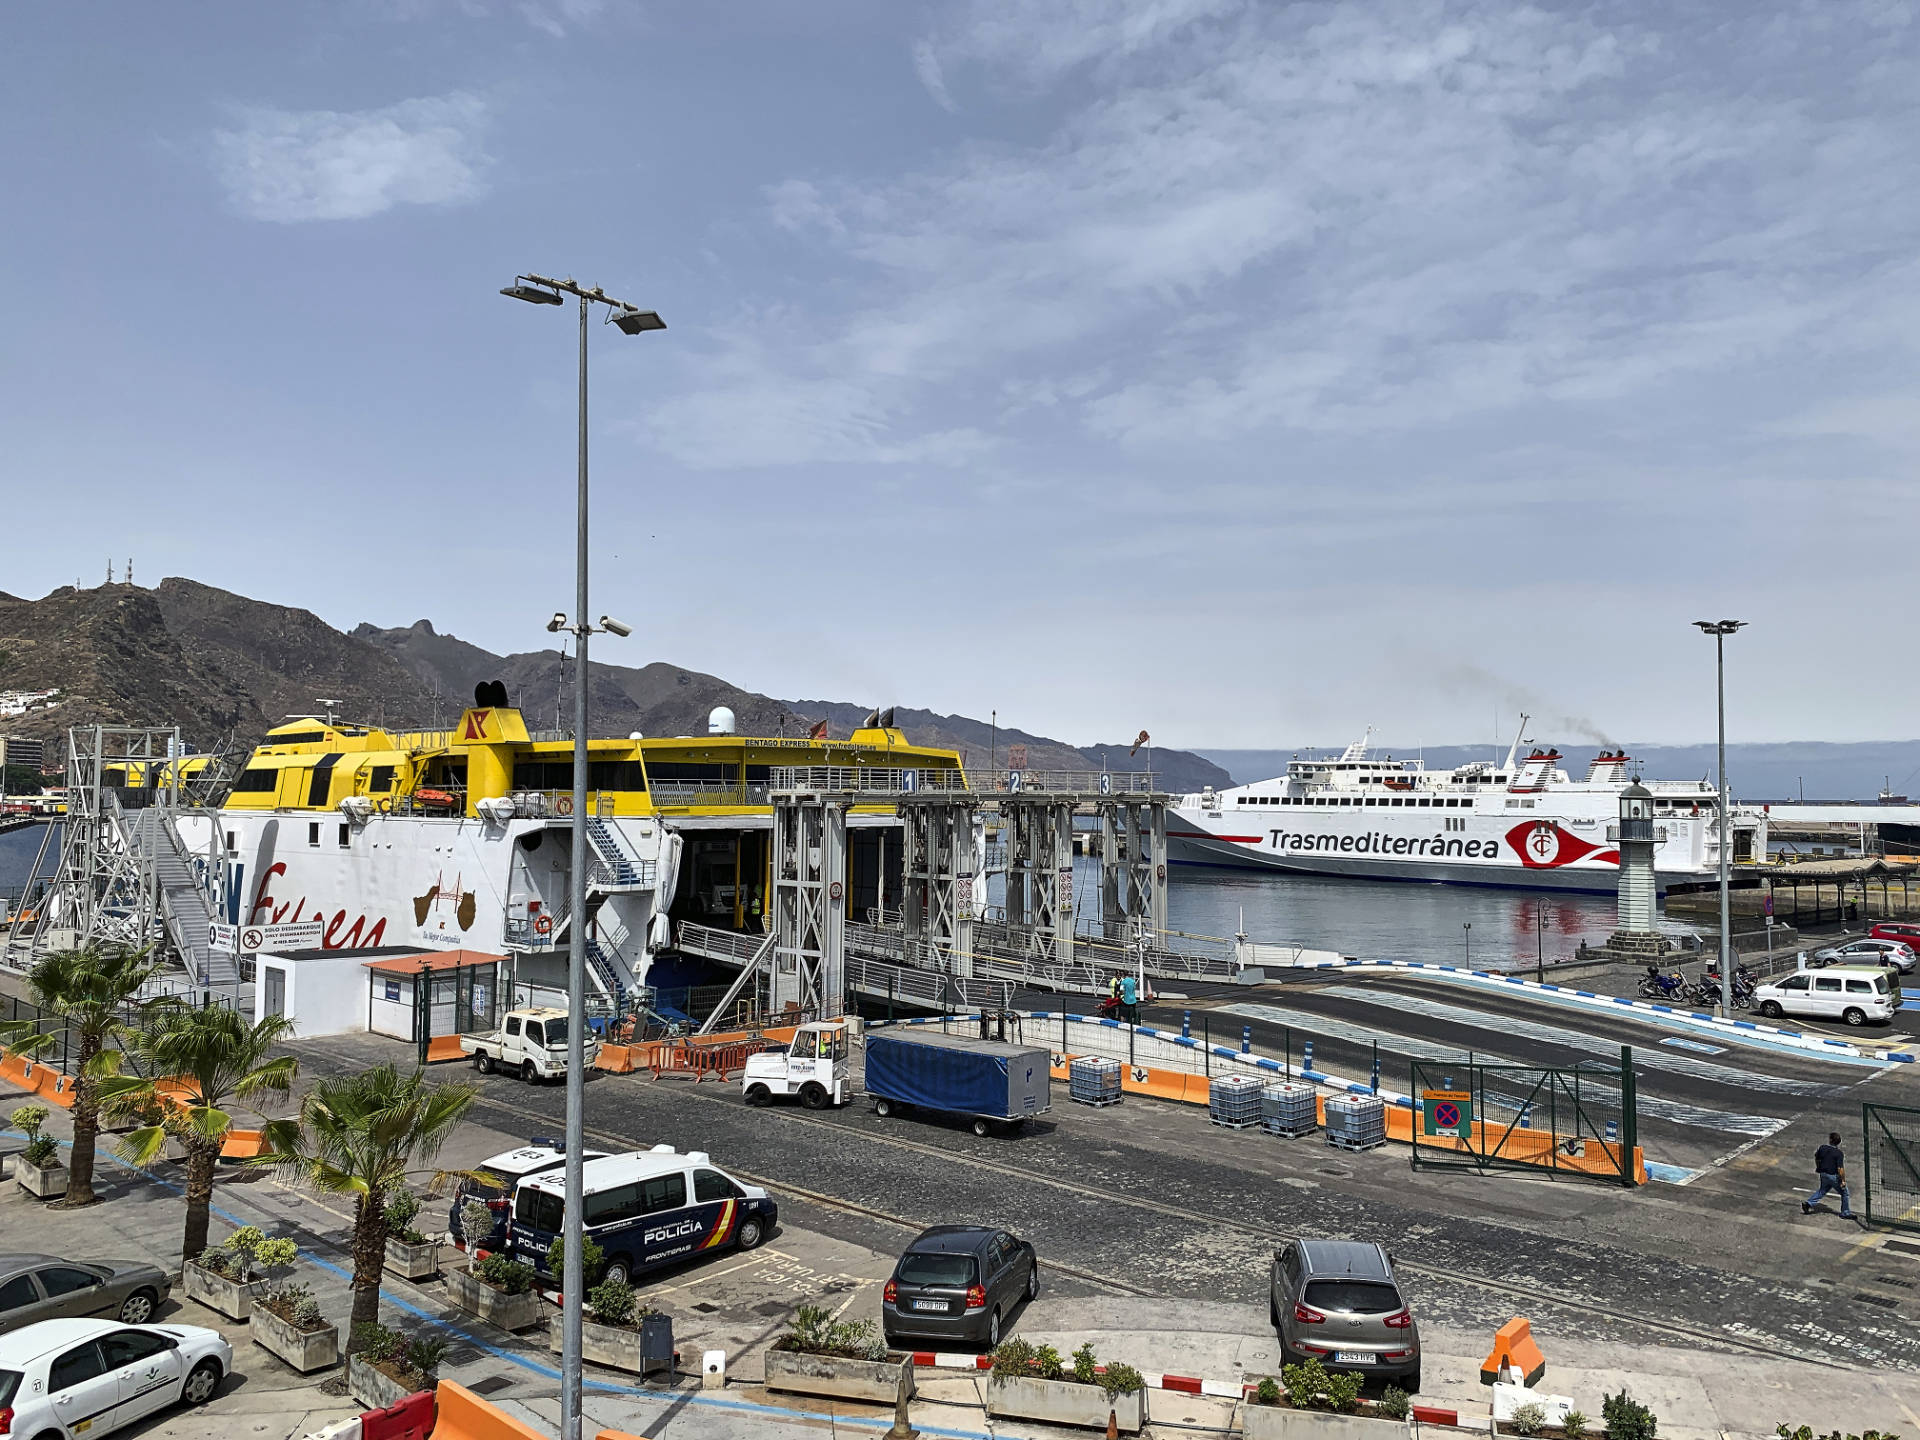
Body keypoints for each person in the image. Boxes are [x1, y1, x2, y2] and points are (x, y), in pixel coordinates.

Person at [1803, 1131, 1855, 1219]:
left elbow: (1817, 1158)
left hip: (1823, 1174)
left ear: (1830, 1140)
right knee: (1845, 1193)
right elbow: (1840, 1169)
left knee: (1822, 1190)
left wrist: (1818, 1167)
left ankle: (1808, 1203)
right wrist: (1842, 1181)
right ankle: (1845, 1213)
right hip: (1833, 1176)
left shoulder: (1822, 1148)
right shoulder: (1839, 1153)